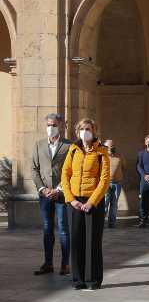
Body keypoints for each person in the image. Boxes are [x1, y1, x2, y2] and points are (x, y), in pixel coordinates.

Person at [61, 118, 110, 290]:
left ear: (94, 131)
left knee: (92, 241)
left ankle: (93, 279)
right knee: (76, 240)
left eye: (88, 129)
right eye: (82, 129)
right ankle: (78, 279)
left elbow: (104, 180)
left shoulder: (101, 151)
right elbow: (65, 175)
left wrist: (91, 202)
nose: (85, 132)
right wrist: (71, 199)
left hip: (93, 202)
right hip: (74, 201)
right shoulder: (73, 150)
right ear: (77, 131)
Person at [31, 113, 72, 276]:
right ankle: (48, 263)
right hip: (45, 195)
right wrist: (43, 189)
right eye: (48, 125)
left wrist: (59, 189)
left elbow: (71, 171)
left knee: (63, 229)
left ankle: (65, 265)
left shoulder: (69, 146)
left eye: (54, 125)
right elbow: (34, 169)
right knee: (47, 229)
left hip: (62, 194)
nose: (51, 128)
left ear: (61, 126)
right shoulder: (38, 145)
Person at [103, 139, 125, 229]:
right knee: (104, 204)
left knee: (114, 204)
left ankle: (112, 223)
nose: (112, 148)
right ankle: (101, 223)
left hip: (117, 183)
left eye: (113, 146)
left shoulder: (120, 156)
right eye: (109, 146)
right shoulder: (102, 156)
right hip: (105, 184)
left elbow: (124, 167)